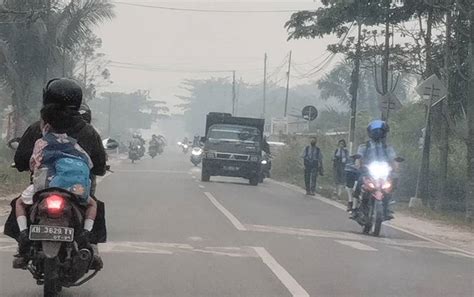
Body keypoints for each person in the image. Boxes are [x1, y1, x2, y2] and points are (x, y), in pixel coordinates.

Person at [6, 78, 107, 267]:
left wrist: (24, 164)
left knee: (19, 202)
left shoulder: (38, 127)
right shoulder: (88, 131)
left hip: (41, 187)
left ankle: (23, 241)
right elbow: (100, 165)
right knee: (95, 205)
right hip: (76, 190)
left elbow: (21, 159)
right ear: (77, 101)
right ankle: (88, 240)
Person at [352, 120, 399, 220]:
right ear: (370, 133)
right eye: (375, 131)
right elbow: (359, 156)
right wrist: (358, 163)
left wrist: (395, 165)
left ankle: (387, 207)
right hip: (368, 172)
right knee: (359, 182)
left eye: (380, 131)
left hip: (383, 173)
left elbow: (393, 158)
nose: (378, 134)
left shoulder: (387, 147)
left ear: (384, 133)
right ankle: (354, 208)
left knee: (392, 182)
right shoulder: (364, 146)